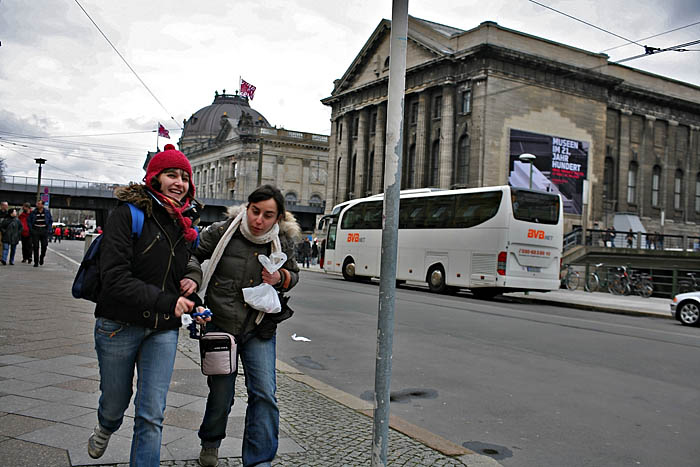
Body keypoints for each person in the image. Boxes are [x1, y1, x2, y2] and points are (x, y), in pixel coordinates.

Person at [87, 144, 202, 466]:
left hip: (162, 329)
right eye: (171, 175)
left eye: (184, 177)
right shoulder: (127, 215)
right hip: (118, 325)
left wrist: (193, 292)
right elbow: (115, 279)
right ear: (154, 178)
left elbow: (181, 269)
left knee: (152, 414)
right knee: (115, 402)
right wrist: (171, 300)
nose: (179, 182)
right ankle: (107, 425)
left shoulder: (184, 223)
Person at [180, 184, 300, 467]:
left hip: (259, 327)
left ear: (278, 217)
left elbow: (293, 275)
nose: (259, 220)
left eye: (268, 215)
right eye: (255, 211)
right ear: (247, 208)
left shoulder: (283, 240)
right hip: (219, 324)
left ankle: (259, 460)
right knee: (222, 394)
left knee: (265, 393)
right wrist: (195, 278)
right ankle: (210, 443)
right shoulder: (223, 231)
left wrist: (281, 277)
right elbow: (192, 254)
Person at [28, 200, 53, 267]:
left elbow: (50, 221)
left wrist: (49, 229)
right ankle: (36, 262)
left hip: (44, 230)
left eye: (39, 204)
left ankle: (42, 257)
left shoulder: (47, 212)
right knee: (35, 247)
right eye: (37, 203)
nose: (37, 205)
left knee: (44, 246)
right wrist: (31, 229)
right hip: (35, 230)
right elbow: (29, 221)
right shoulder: (33, 212)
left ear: (42, 205)